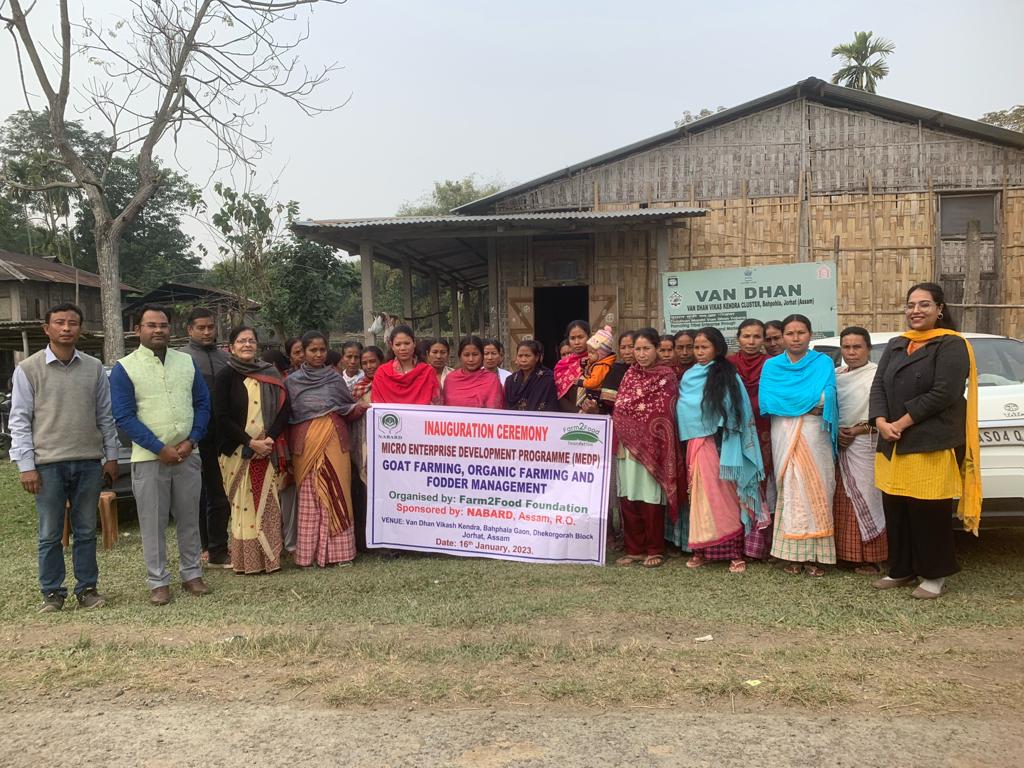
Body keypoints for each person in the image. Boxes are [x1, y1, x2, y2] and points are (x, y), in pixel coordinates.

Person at [869, 283, 981, 599]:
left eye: (924, 305)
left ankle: (934, 575)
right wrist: (880, 422)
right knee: (896, 509)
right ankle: (901, 569)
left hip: (930, 441)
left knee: (927, 513)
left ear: (940, 309)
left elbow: (944, 393)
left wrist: (900, 423)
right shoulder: (896, 344)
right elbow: (878, 387)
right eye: (911, 305)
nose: (916, 311)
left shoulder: (951, 345)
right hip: (892, 442)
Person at [10, 303, 119, 612]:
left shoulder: (94, 367)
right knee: (50, 532)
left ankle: (87, 590)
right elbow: (19, 420)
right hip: (47, 465)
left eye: (73, 323)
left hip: (88, 462)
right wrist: (26, 465)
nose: (66, 328)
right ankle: (52, 593)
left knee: (86, 530)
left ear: (80, 329)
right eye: (59, 323)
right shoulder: (28, 369)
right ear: (47, 329)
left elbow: (105, 416)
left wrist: (111, 456)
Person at [110, 305, 211, 605]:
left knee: (189, 518)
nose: (158, 330)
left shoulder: (187, 362)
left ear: (171, 329)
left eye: (163, 325)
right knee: (152, 523)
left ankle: (192, 574)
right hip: (149, 458)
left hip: (187, 455)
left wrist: (192, 440)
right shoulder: (124, 368)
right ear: (137, 329)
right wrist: (159, 448)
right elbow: (124, 417)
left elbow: (203, 404)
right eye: (151, 325)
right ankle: (158, 582)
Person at [677, 327, 766, 573]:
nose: (699, 352)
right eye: (696, 347)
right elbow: (685, 411)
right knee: (700, 497)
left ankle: (734, 552)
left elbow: (738, 409)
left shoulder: (727, 374)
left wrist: (720, 429)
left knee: (726, 497)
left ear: (717, 348)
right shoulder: (688, 376)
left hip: (723, 443)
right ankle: (701, 550)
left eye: (704, 347)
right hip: (697, 443)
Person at [759, 314, 838, 576]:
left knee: (817, 486)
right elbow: (770, 400)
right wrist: (807, 404)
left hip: (815, 435)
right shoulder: (772, 367)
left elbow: (828, 398)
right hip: (784, 431)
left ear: (810, 335)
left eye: (801, 332)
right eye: (790, 333)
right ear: (782, 337)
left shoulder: (823, 363)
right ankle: (790, 556)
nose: (795, 338)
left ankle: (816, 557)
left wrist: (798, 404)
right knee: (790, 487)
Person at [285, 331, 367, 567]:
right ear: (304, 351)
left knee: (338, 490)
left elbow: (347, 408)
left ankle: (341, 553)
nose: (318, 354)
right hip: (305, 443)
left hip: (334, 440)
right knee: (310, 496)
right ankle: (307, 554)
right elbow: (287, 415)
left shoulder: (334, 379)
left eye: (322, 350)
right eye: (313, 350)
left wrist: (363, 408)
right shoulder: (292, 382)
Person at [214, 326, 291, 574]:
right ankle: (247, 561)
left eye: (251, 341)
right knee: (242, 505)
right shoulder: (226, 375)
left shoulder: (270, 373)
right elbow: (221, 416)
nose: (247, 344)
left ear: (257, 345)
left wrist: (268, 439)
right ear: (231, 346)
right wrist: (250, 442)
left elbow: (284, 410)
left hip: (267, 449)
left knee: (267, 503)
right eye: (241, 341)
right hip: (237, 450)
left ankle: (270, 559)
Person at [612, 328, 684, 568]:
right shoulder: (629, 374)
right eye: (637, 349)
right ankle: (634, 549)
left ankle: (654, 548)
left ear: (656, 349)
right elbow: (621, 405)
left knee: (649, 496)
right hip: (626, 445)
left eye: (646, 349)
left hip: (653, 446)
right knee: (628, 495)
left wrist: (636, 421)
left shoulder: (666, 376)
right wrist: (630, 421)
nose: (641, 354)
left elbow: (663, 411)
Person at [832, 326, 888, 575]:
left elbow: (886, 413)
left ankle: (871, 558)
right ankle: (846, 555)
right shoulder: (836, 375)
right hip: (838, 444)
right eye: (846, 347)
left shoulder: (878, 376)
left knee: (868, 497)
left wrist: (856, 431)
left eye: (857, 347)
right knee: (842, 499)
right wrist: (839, 433)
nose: (851, 352)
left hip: (866, 444)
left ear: (868, 349)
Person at [178, 307, 232, 569]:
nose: (207, 331)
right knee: (198, 495)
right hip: (195, 435)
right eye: (201, 327)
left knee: (222, 493)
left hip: (224, 436)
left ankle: (220, 548)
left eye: (211, 326)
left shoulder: (226, 358)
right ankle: (204, 546)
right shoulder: (181, 359)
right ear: (190, 330)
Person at [727, 319, 775, 560]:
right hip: (736, 431)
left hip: (764, 429)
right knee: (737, 483)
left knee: (761, 481)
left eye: (757, 337)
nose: (751, 341)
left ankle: (760, 544)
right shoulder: (728, 364)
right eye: (746, 336)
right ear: (738, 338)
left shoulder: (771, 364)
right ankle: (740, 541)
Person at [348, 345, 383, 552]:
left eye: (373, 362)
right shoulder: (358, 387)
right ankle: (365, 541)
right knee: (364, 492)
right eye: (365, 363)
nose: (369, 366)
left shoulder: (391, 382)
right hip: (363, 445)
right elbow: (350, 414)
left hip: (387, 449)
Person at [372, 325, 442, 405]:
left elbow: (437, 405)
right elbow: (377, 405)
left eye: (407, 343)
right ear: (392, 346)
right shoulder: (382, 373)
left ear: (414, 343)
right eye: (398, 345)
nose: (403, 348)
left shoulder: (428, 372)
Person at [443, 336, 505, 409]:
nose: (471, 359)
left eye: (475, 354)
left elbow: (495, 409)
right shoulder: (451, 379)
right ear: (460, 357)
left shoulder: (492, 380)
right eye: (466, 355)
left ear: (482, 356)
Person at [504, 340, 558, 411]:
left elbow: (550, 405)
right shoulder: (510, 380)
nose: (523, 360)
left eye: (527, 356)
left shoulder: (547, 379)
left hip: (539, 420)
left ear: (537, 357)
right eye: (520, 356)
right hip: (515, 421)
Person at [553, 320, 590, 412]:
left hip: (593, 417)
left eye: (580, 337)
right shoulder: (562, 365)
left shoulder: (597, 360)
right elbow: (557, 395)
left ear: (589, 337)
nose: (576, 342)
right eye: (572, 338)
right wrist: (578, 412)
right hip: (568, 418)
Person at [579, 325, 616, 415]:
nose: (589, 355)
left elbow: (594, 381)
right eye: (589, 352)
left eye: (592, 353)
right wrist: (584, 366)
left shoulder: (602, 366)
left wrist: (581, 383)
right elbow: (588, 372)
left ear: (602, 354)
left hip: (596, 397)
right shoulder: (597, 362)